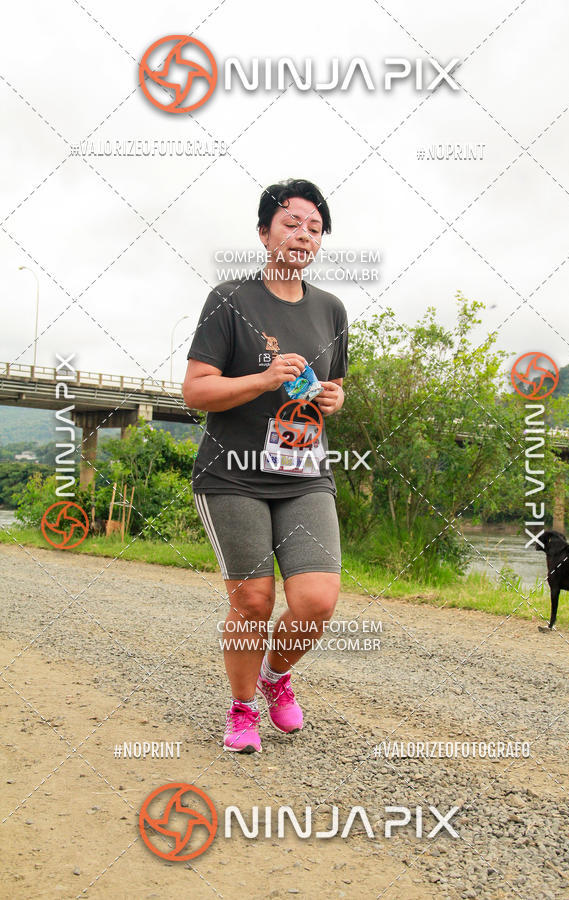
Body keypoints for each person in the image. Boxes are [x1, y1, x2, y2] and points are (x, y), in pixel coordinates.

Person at [182, 178, 348, 753]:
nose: (303, 234)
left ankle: (277, 676)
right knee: (254, 601)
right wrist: (264, 377)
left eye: (315, 227)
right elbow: (196, 392)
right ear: (263, 233)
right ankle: (242, 708)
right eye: (291, 223)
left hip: (303, 475)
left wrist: (332, 399)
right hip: (232, 477)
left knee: (316, 599)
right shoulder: (230, 300)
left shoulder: (331, 310)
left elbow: (336, 386)